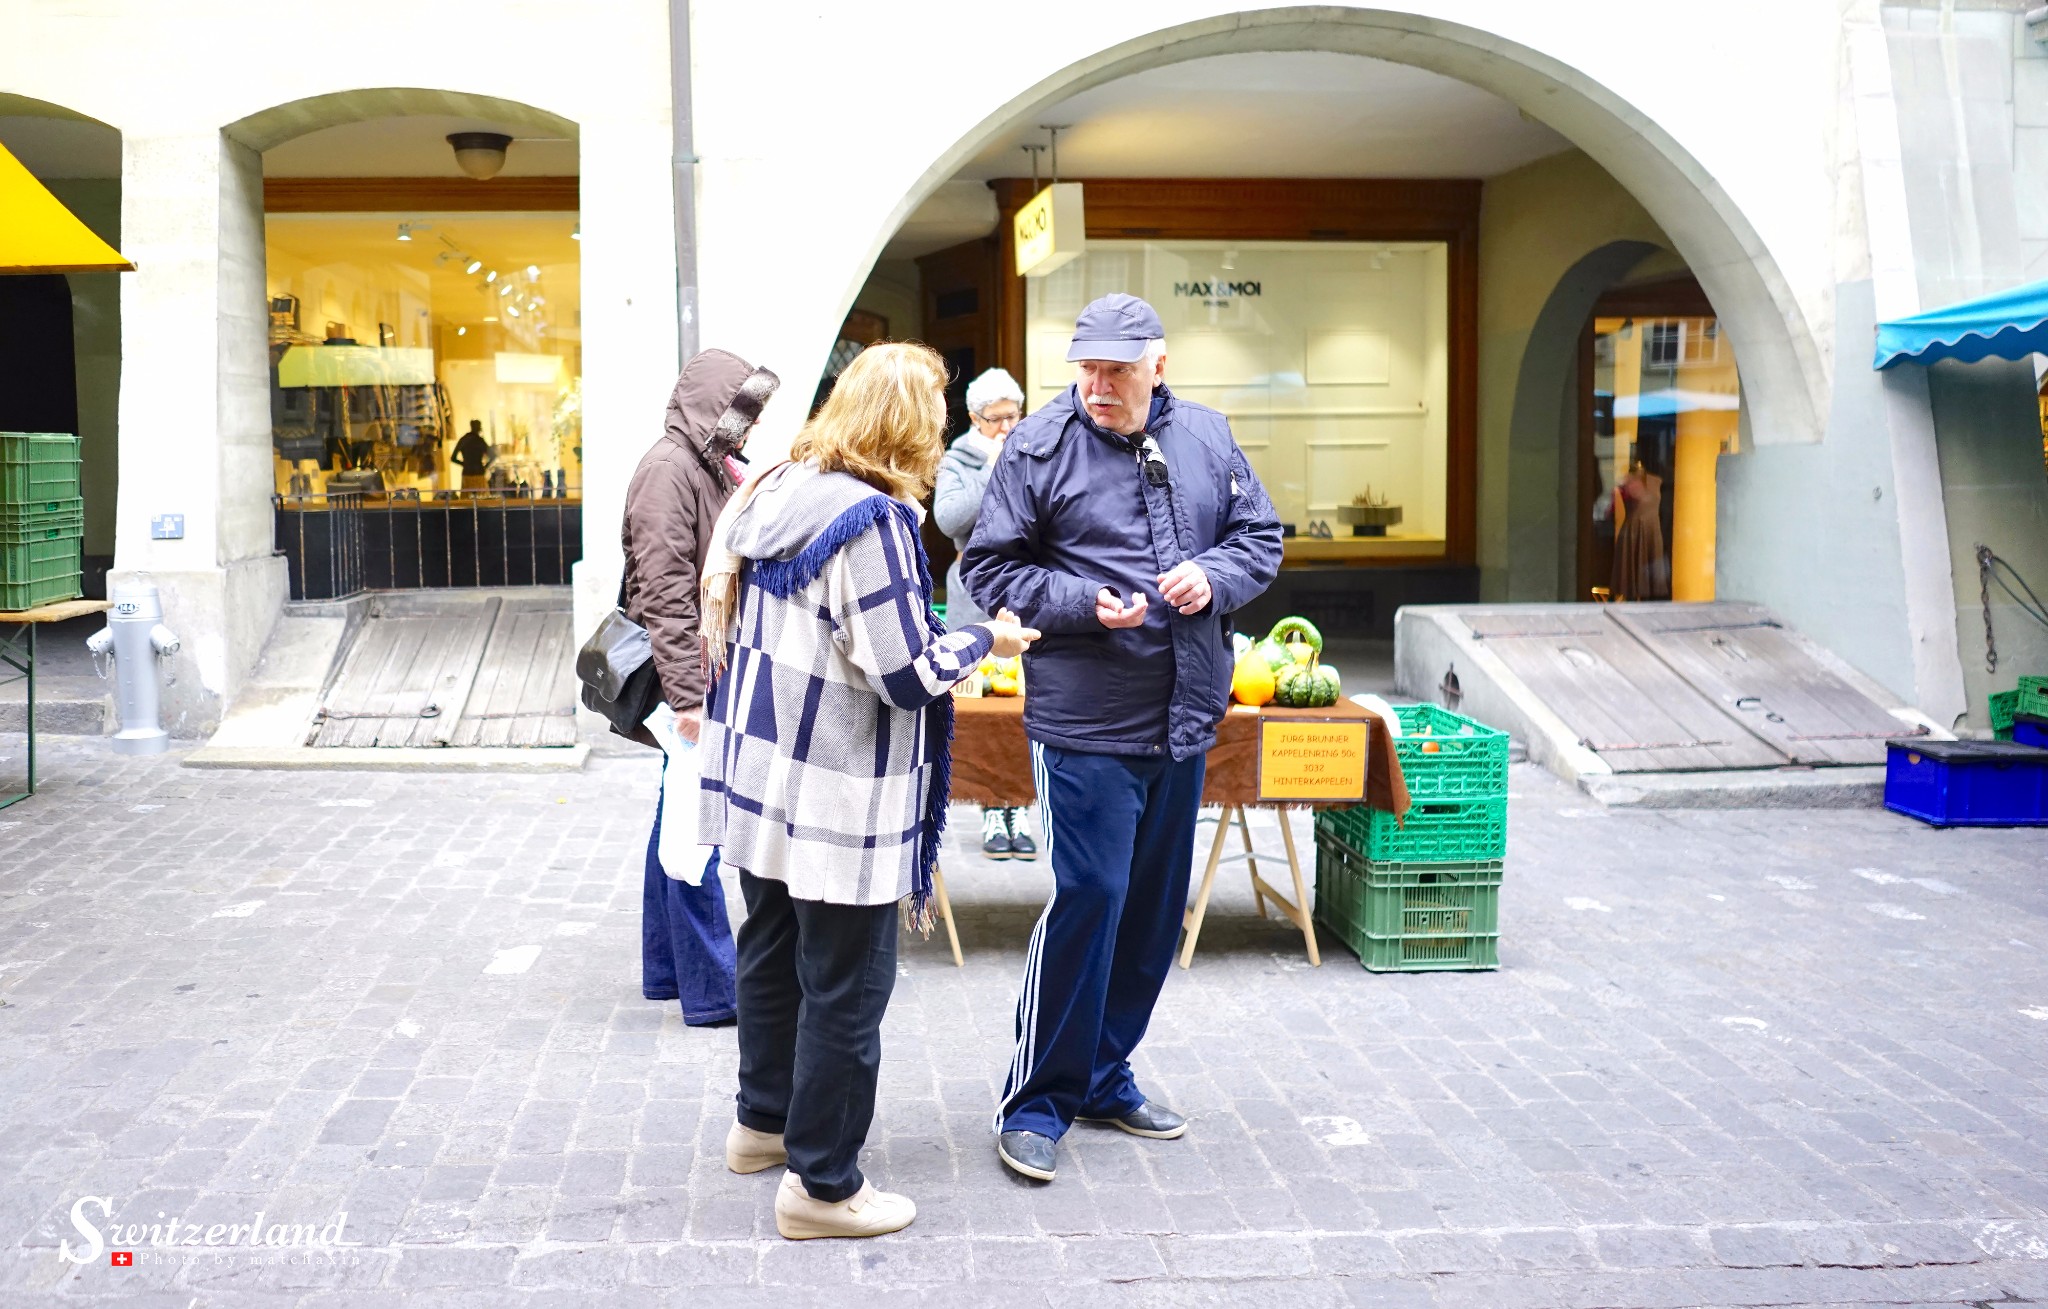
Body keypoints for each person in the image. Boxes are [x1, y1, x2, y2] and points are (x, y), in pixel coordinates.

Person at [697, 342, 1039, 1239]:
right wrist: (982, 643)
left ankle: (760, 1126)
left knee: (771, 953)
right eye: (933, 408)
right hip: (837, 793)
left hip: (760, 776)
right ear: (909, 422)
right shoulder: (872, 520)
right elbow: (905, 670)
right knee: (848, 985)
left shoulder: (775, 487)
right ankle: (824, 1185)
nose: (940, 424)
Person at [961, 292, 1282, 1183]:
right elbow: (986, 567)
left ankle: (1104, 1073)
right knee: (1092, 896)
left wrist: (1211, 578)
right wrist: (1077, 604)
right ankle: (1036, 1100)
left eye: (1116, 369)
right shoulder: (1038, 445)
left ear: (1159, 365)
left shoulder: (1210, 438)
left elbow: (1261, 538)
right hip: (1084, 722)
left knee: (1152, 913)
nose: (1096, 385)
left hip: (1183, 717)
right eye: (1086, 368)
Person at [624, 349, 780, 1027]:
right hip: (685, 675)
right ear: (713, 409)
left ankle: (668, 972)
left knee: (676, 818)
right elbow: (660, 590)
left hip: (696, 667)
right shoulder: (669, 468)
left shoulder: (702, 463)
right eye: (741, 413)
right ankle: (714, 988)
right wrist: (688, 697)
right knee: (694, 832)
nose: (748, 428)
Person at [933, 366, 1037, 862]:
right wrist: (996, 467)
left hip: (1020, 585)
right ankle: (990, 808)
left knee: (1019, 702)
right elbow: (950, 518)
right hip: (973, 589)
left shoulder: (1030, 449)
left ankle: (1019, 803)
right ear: (975, 418)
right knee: (981, 703)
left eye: (1013, 416)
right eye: (996, 419)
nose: (1007, 428)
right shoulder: (958, 458)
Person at [451, 419, 493, 490]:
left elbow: (453, 458)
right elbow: (493, 456)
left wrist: (464, 464)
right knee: (481, 498)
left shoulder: (464, 440)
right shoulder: (480, 441)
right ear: (479, 428)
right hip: (479, 473)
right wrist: (485, 466)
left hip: (467, 473)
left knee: (467, 498)